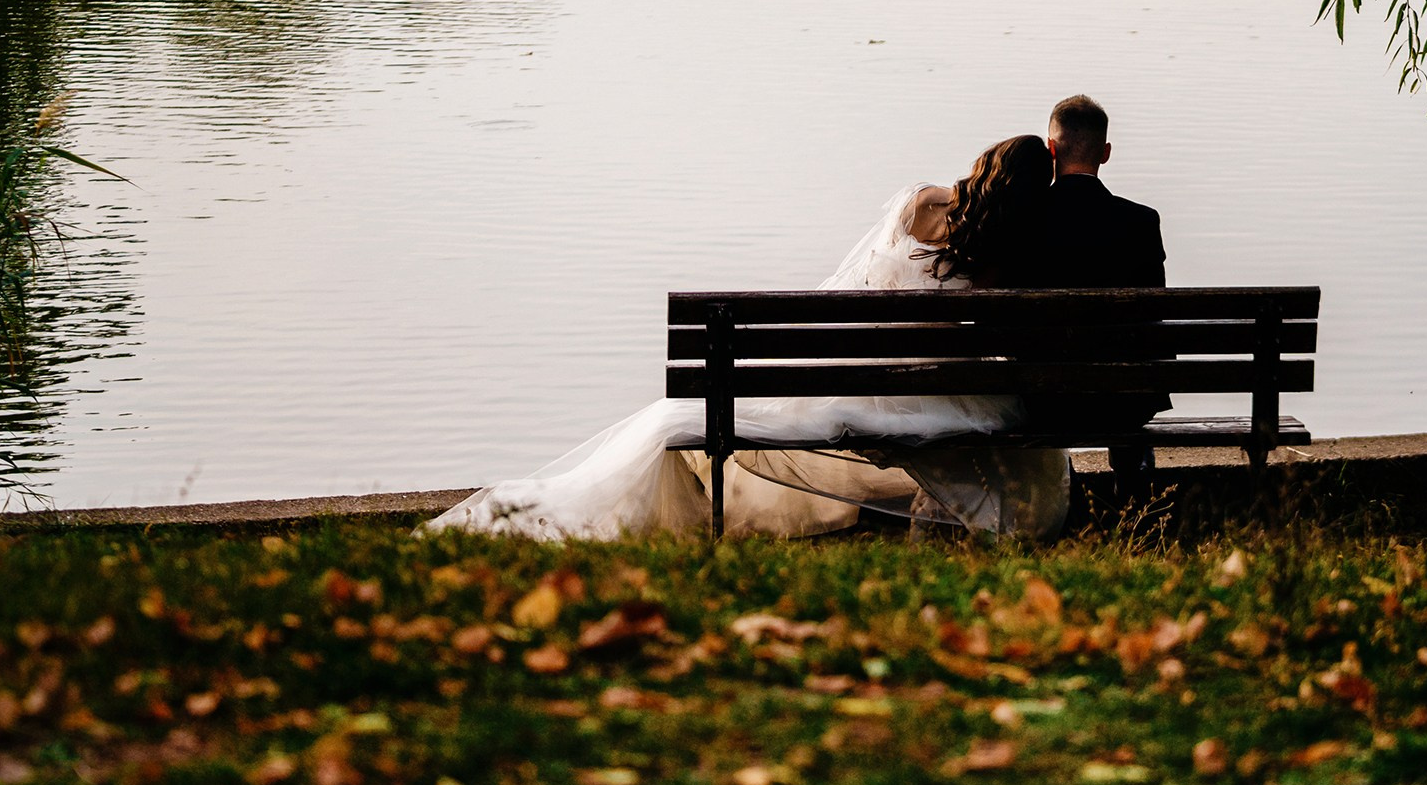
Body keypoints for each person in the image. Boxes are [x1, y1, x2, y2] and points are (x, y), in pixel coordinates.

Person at [423, 136, 1069, 541]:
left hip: (850, 382)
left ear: (979, 165)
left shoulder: (916, 204)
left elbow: (853, 288)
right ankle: (972, 520)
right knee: (1018, 441)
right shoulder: (995, 253)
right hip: (924, 396)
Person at [986, 95, 1167, 492]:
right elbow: (1155, 318)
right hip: (1124, 403)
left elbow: (995, 321)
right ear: (1105, 153)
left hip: (1040, 402)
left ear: (1051, 149)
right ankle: (1130, 489)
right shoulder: (1141, 222)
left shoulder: (1019, 220)